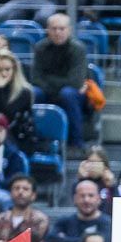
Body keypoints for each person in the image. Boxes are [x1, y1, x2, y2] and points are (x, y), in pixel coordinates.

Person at [31, 14, 88, 149]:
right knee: (34, 92)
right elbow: (36, 79)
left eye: (62, 29)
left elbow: (75, 82)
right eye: (54, 29)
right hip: (47, 91)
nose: (58, 32)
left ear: (69, 30)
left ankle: (76, 143)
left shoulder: (78, 49)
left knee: (67, 94)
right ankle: (34, 139)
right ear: (47, 30)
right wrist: (58, 84)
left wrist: (49, 81)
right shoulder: (39, 48)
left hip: (72, 94)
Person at [0, 51, 36, 152]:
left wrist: (0, 88)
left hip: (17, 136)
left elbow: (6, 117)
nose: (4, 74)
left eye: (7, 69)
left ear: (14, 70)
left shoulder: (25, 92)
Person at [48, 178, 112, 242]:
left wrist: (65, 241)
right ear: (75, 199)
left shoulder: (109, 223)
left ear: (98, 198)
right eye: (82, 196)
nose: (86, 200)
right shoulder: (64, 222)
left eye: (91, 195)